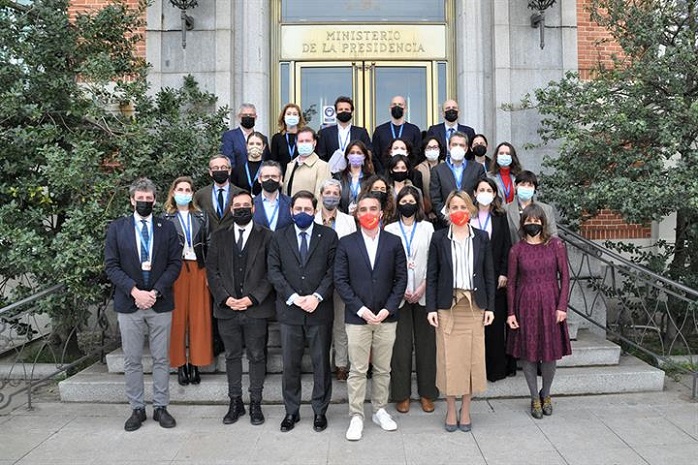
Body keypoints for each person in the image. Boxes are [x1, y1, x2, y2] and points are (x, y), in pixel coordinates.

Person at [104, 178, 182, 432]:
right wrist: (135, 291)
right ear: (131, 200)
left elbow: (174, 264)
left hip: (160, 303)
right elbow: (111, 266)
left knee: (161, 359)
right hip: (129, 303)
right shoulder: (117, 228)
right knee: (132, 360)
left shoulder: (166, 228)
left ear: (155, 200)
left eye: (149, 199)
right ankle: (137, 408)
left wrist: (155, 291)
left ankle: (161, 407)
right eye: (141, 199)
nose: (145, 203)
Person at [334, 192, 408, 441]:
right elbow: (341, 281)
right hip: (358, 318)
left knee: (383, 368)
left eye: (372, 209)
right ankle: (356, 415)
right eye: (363, 209)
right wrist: (361, 309)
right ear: (357, 214)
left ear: (381, 212)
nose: (368, 214)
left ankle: (379, 410)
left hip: (387, 316)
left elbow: (401, 279)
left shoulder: (394, 241)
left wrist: (388, 308)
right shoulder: (346, 243)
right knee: (357, 369)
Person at [267, 190, 338, 433]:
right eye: (298, 209)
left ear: (315, 211)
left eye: (308, 209)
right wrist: (294, 297)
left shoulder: (328, 236)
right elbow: (274, 271)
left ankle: (320, 411)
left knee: (321, 364)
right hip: (290, 312)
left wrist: (317, 296)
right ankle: (291, 411)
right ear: (291, 211)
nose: (303, 213)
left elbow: (333, 271)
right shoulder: (278, 237)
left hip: (319, 310)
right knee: (290, 364)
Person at [426, 191, 495, 433]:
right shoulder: (438, 238)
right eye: (453, 206)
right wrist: (431, 308)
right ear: (447, 210)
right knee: (448, 360)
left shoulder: (482, 238)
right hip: (448, 306)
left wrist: (490, 308)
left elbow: (488, 275)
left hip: (474, 306)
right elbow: (432, 275)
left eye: (463, 206)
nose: (458, 211)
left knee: (471, 361)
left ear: (471, 210)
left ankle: (466, 410)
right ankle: (451, 409)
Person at [206, 190, 275, 426]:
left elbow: (270, 273)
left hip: (256, 309)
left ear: (253, 208)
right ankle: (235, 401)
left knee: (257, 356)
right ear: (231, 210)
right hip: (226, 309)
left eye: (247, 205)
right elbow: (212, 272)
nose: (242, 209)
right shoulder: (218, 236)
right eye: (238, 206)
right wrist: (225, 298)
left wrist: (253, 298)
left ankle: (256, 402)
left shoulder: (267, 236)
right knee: (232, 356)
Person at [506, 204, 571, 419]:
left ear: (543, 222)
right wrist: (511, 313)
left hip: (551, 303)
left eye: (536, 220)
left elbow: (566, 277)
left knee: (550, 353)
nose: (532, 224)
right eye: (528, 220)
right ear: (522, 223)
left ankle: (547, 393)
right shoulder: (517, 250)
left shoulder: (556, 246)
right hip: (525, 305)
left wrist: (562, 306)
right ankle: (534, 397)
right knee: (528, 354)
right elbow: (512, 283)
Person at [384, 186, 437, 414]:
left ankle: (427, 393)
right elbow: (387, 264)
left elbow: (433, 260)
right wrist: (402, 288)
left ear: (419, 204)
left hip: (424, 293)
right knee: (401, 348)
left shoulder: (427, 228)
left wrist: (423, 285)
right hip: (399, 295)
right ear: (398, 204)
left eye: (411, 200)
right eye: (403, 200)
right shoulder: (389, 229)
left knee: (427, 347)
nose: (408, 204)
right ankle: (401, 395)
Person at [161, 177, 213, 386]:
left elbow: (209, 242)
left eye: (188, 189)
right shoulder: (164, 217)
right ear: (173, 192)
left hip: (198, 268)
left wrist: (210, 270)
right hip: (176, 270)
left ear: (192, 194)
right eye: (180, 189)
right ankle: (180, 364)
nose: (184, 192)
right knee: (178, 318)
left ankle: (196, 363)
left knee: (200, 317)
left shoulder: (201, 216)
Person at [470, 178, 514, 381]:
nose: (485, 192)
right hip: (471, 277)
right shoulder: (468, 215)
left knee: (494, 326)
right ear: (474, 192)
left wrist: (504, 272)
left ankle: (495, 369)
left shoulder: (500, 217)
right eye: (481, 189)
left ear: (495, 194)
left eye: (489, 189)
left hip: (496, 277)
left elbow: (507, 246)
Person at [314, 179, 357, 381]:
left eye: (335, 193)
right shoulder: (311, 218)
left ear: (340, 197)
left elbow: (353, 248)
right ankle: (321, 363)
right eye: (327, 192)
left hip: (341, 279)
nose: (331, 196)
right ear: (321, 194)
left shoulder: (348, 221)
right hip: (317, 280)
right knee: (321, 324)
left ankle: (341, 363)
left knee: (340, 323)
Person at [430, 131, 486, 225]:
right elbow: (436, 199)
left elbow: (480, 193)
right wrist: (447, 218)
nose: (458, 148)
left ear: (467, 148)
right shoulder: (437, 170)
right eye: (454, 144)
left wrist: (471, 216)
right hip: (447, 223)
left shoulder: (477, 168)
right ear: (449, 147)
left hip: (472, 221)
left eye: (461, 145)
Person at [316, 96, 374, 168]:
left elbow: (368, 152)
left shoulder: (361, 132)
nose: (343, 111)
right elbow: (321, 156)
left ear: (351, 112)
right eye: (340, 109)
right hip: (331, 174)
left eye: (347, 109)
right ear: (336, 112)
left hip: (356, 172)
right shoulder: (325, 133)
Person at [504, 170, 558, 245]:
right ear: (515, 186)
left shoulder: (546, 209)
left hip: (541, 253)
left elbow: (553, 236)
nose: (526, 188)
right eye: (522, 184)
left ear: (534, 188)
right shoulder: (505, 210)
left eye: (530, 185)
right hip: (513, 253)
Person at [372, 96, 422, 173]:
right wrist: (383, 172)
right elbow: (375, 154)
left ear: (405, 109)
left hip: (407, 172)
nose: (397, 106)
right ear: (389, 108)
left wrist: (408, 169)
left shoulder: (414, 130)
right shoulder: (380, 130)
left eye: (400, 104)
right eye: (394, 104)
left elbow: (417, 153)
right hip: (385, 174)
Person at [194, 155, 243, 233]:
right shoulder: (200, 195)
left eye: (223, 167)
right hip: (209, 241)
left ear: (229, 170)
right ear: (210, 172)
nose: (220, 170)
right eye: (216, 168)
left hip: (233, 241)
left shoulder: (240, 194)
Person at [284, 127, 331, 198]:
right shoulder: (290, 165)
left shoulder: (322, 166)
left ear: (314, 143)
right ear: (296, 143)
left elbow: (321, 196)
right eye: (301, 141)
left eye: (307, 141)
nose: (304, 144)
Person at [221, 103, 270, 169]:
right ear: (239, 117)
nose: (248, 117)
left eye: (251, 115)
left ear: (255, 117)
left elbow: (267, 161)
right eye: (245, 115)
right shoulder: (229, 136)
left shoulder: (263, 138)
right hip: (237, 177)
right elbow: (228, 161)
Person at [334, 141, 375, 215]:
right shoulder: (338, 177)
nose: (355, 155)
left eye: (359, 153)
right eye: (352, 153)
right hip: (344, 219)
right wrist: (344, 215)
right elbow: (334, 200)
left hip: (365, 217)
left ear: (364, 156)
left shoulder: (371, 179)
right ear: (347, 156)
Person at [252, 160, 294, 231]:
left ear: (280, 178)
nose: (270, 180)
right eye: (266, 176)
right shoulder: (251, 203)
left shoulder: (291, 202)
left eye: (274, 176)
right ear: (259, 179)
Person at [414, 136, 443, 222]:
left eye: (435, 147)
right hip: (425, 213)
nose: (432, 150)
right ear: (424, 150)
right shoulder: (418, 168)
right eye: (429, 148)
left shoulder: (447, 167)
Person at [231, 131, 266, 196]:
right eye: (251, 144)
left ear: (263, 147)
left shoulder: (269, 169)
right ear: (247, 146)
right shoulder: (237, 170)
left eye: (258, 144)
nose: (255, 146)